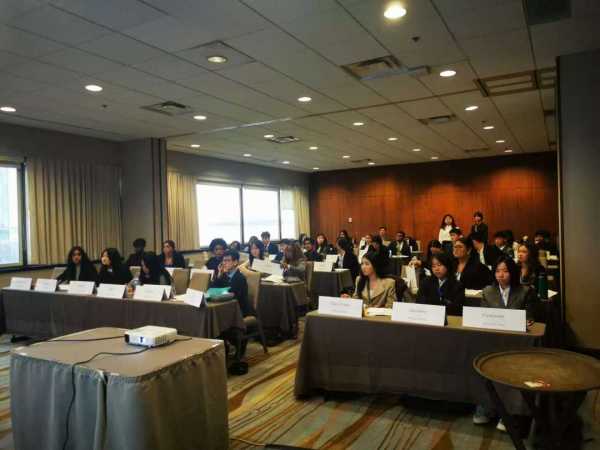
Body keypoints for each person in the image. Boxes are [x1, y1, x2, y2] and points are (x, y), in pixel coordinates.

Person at [475, 255, 537, 428]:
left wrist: (527, 322)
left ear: (513, 272)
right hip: (493, 340)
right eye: (497, 271)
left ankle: (511, 413)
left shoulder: (525, 291)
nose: (500, 275)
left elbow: (531, 318)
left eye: (505, 271)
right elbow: (483, 317)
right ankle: (487, 407)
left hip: (517, 342)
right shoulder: (488, 291)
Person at [211, 250, 254, 317]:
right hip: (226, 307)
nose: (224, 263)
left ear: (235, 262)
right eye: (223, 260)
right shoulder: (224, 275)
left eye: (227, 260)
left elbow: (232, 295)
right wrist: (219, 275)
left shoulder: (240, 278)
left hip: (239, 310)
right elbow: (212, 289)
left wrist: (219, 293)